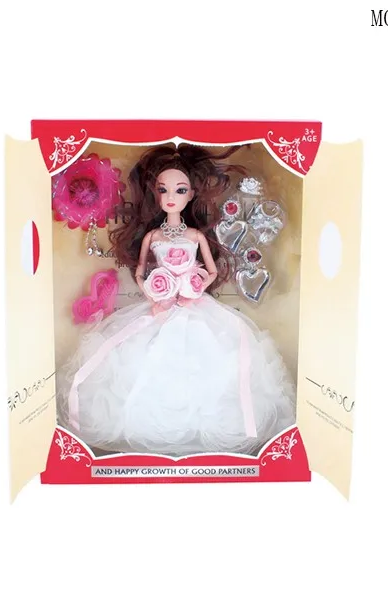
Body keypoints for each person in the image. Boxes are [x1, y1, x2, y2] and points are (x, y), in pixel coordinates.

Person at [56, 143, 296, 456]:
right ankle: (145, 425)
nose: (171, 197)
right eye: (163, 190)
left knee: (209, 362)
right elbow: (141, 272)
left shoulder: (195, 236)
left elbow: (211, 270)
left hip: (193, 305)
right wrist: (156, 292)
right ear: (155, 194)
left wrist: (194, 285)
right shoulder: (153, 237)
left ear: (191, 194)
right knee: (144, 363)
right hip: (161, 305)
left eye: (180, 190)